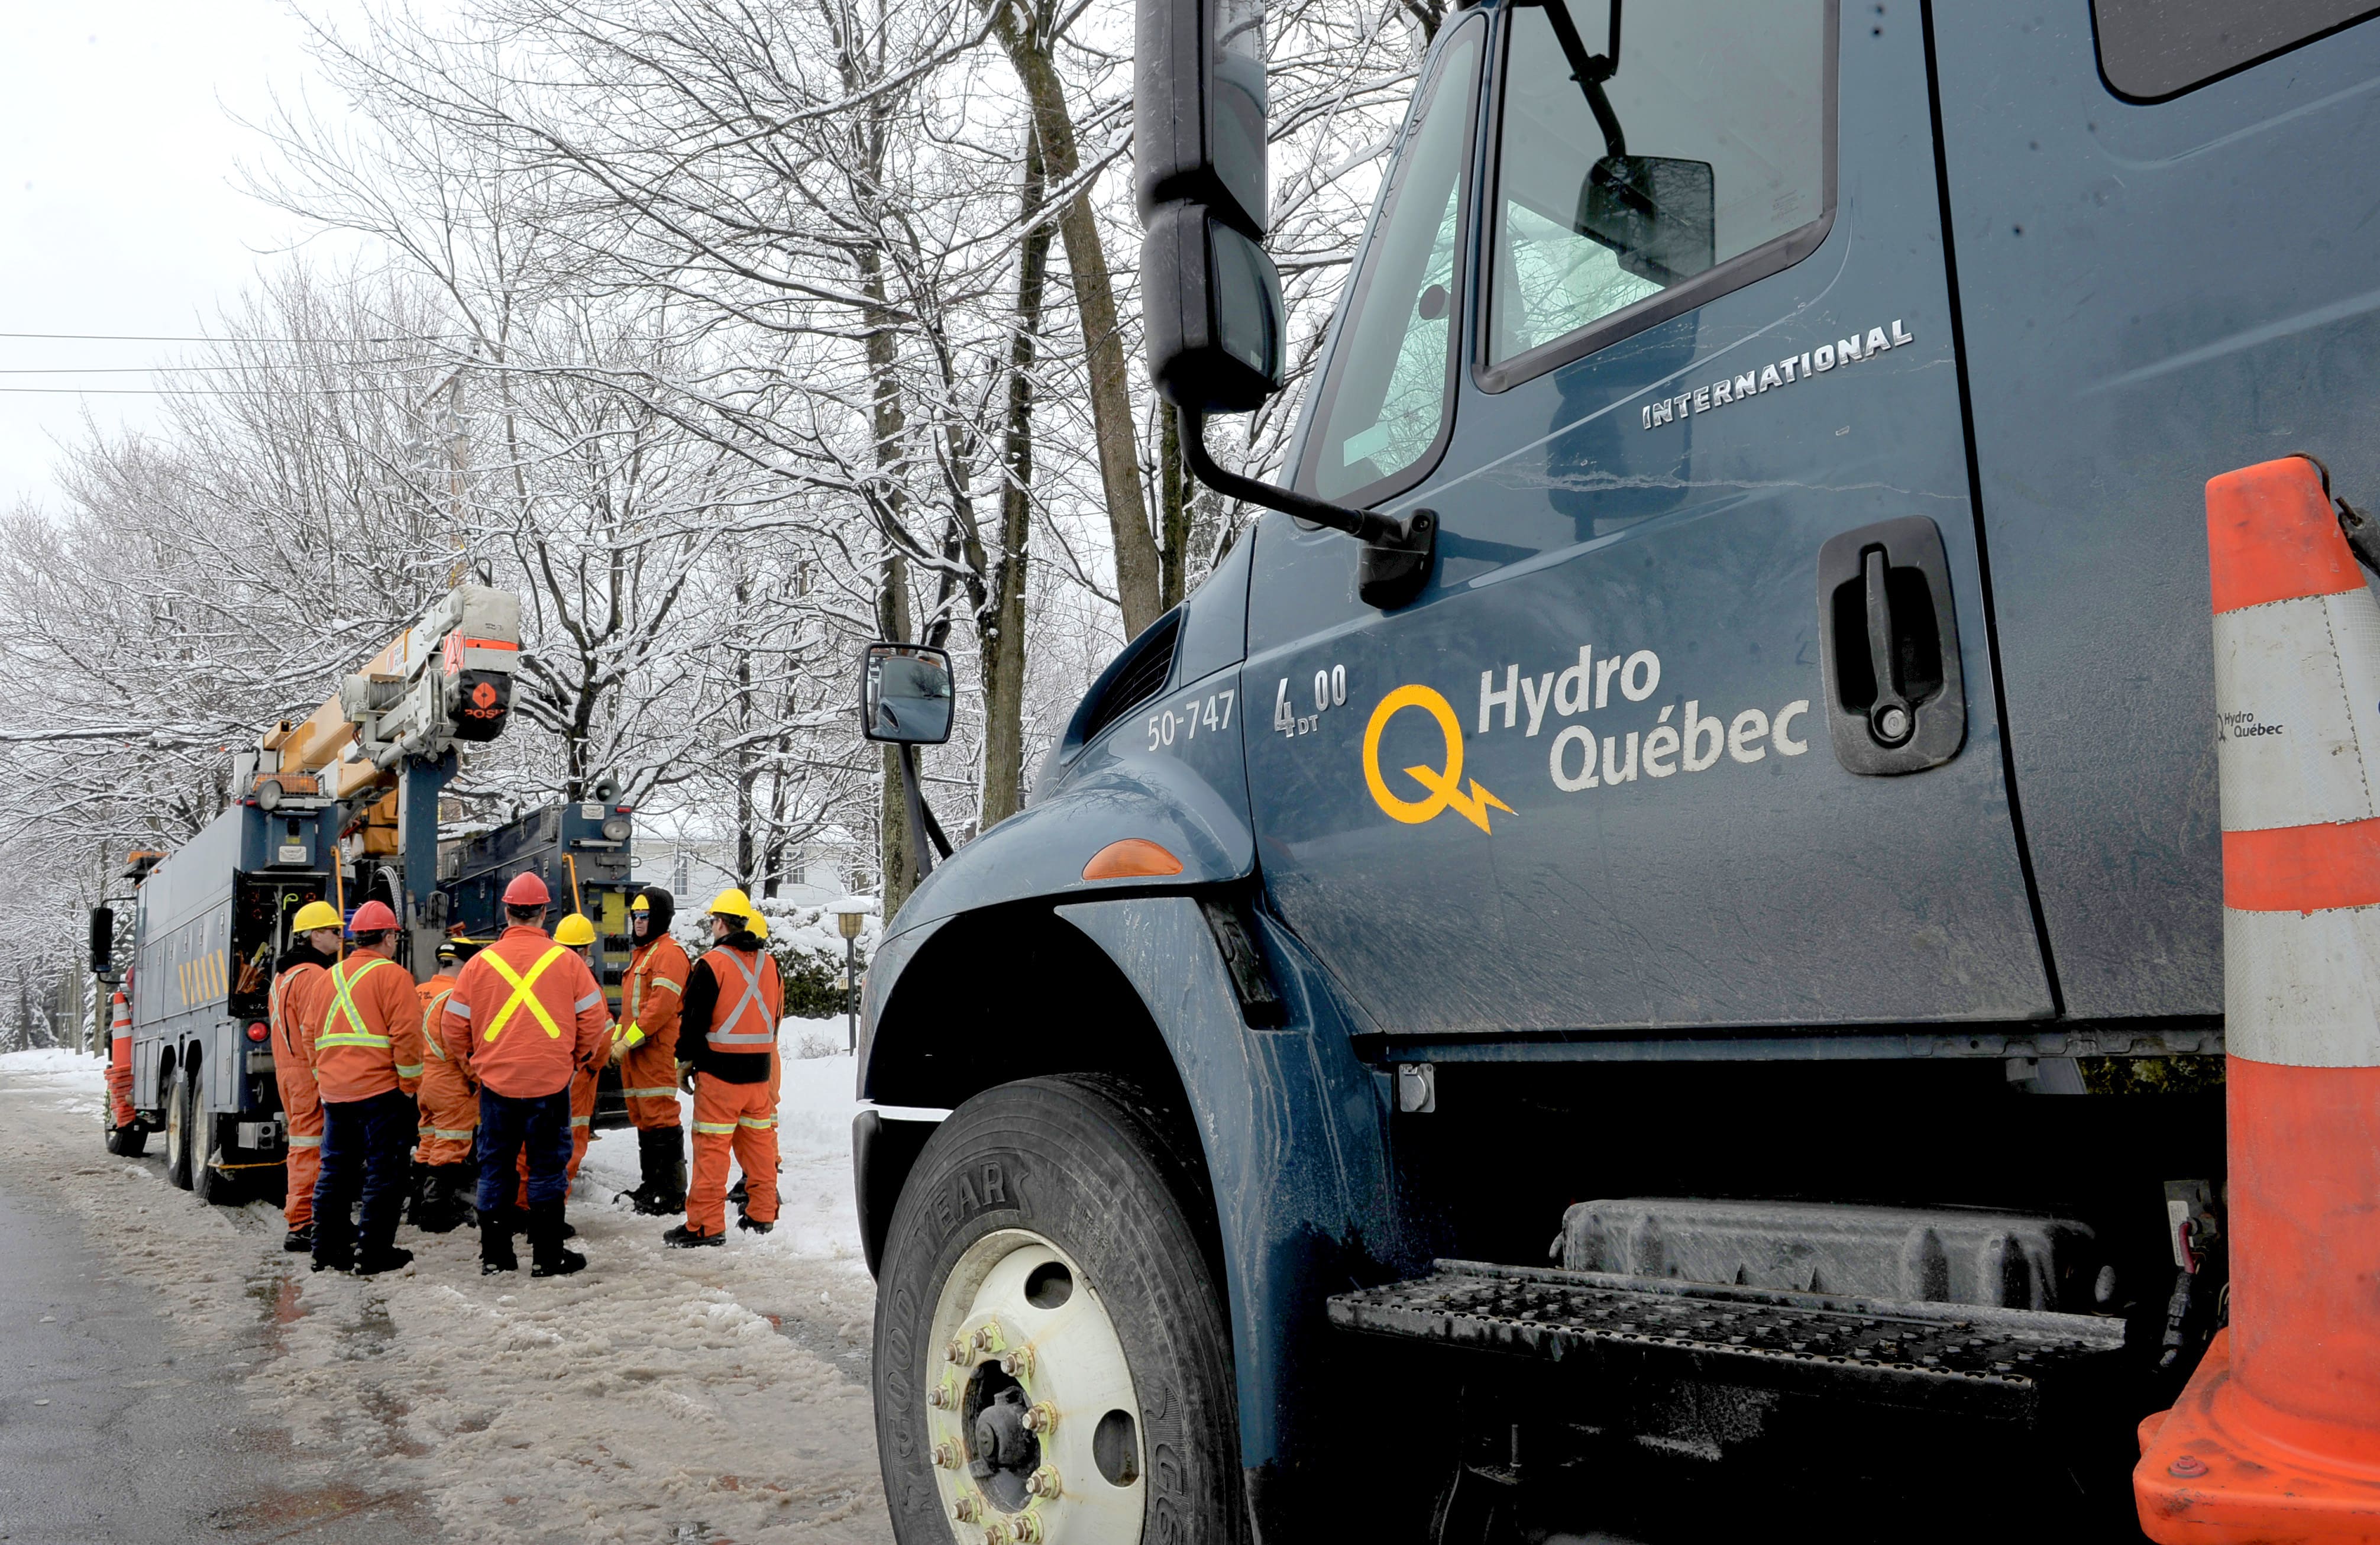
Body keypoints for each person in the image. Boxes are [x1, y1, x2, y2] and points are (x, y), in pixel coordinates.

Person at [440, 872, 610, 1276]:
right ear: (544, 913)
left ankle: (496, 1257)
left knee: (496, 1168)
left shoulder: (479, 964)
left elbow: (452, 1026)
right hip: (550, 1085)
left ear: (507, 912)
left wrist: (474, 1064)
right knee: (547, 1168)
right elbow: (594, 1020)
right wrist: (573, 1059)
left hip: (496, 1087)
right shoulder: (568, 962)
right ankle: (548, 1257)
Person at [308, 899, 427, 1276]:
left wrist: (323, 1076)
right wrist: (409, 1085)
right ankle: (373, 1253)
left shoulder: (328, 977)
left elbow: (310, 1034)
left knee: (335, 1169)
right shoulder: (394, 976)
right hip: (380, 1091)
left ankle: (325, 1250)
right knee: (384, 1171)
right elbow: (407, 1036)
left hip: (336, 1093)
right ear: (389, 937)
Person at [665, 889, 781, 1248]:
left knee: (712, 1150)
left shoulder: (711, 964)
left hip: (719, 1076)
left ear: (719, 923)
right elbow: (775, 1016)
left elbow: (693, 1022)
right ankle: (762, 1214)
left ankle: (705, 1226)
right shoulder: (770, 964)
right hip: (759, 1076)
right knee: (759, 1147)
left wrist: (684, 1061)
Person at [507, 913, 609, 1227]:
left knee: (528, 1143)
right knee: (565, 1148)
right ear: (587, 950)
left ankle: (521, 1207)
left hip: (541, 1072)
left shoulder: (542, 974)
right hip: (577, 1075)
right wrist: (586, 1063)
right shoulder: (584, 980)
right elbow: (601, 1033)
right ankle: (550, 1216)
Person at [269, 900, 342, 1255]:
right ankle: (304, 1223)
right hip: (309, 1072)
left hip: (288, 1070)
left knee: (303, 1143)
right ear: (314, 935)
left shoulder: (282, 977)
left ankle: (305, 1219)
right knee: (311, 1147)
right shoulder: (315, 976)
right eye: (334, 931)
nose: (340, 937)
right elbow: (320, 1029)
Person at [613, 887, 691, 1216]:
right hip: (637, 1055)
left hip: (655, 1053)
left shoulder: (668, 954)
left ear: (659, 918)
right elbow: (630, 1011)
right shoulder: (644, 955)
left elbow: (659, 1008)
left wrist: (627, 1041)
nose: (638, 922)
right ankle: (653, 1185)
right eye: (635, 916)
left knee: (660, 1118)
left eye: (645, 916)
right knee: (644, 1119)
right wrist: (617, 1041)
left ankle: (671, 1193)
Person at [409, 939, 478, 1233]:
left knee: (428, 1142)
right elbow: (462, 1047)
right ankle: (436, 1213)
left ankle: (417, 1206)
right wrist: (479, 1079)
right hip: (451, 1082)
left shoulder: (418, 992)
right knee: (451, 1145)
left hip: (422, 1081)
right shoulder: (458, 998)